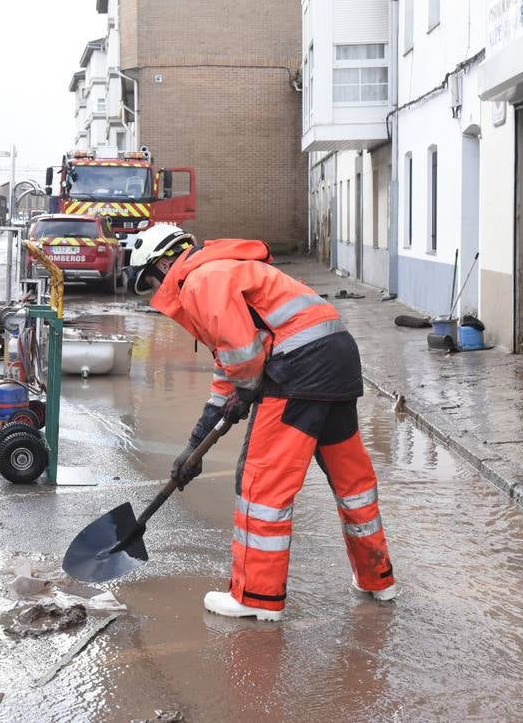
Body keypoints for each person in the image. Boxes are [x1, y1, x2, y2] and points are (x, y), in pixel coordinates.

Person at [130, 226, 397, 622]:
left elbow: (242, 358)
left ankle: (256, 597)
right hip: (337, 357)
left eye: (152, 280)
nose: (156, 292)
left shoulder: (200, 280)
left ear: (165, 263)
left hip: (298, 370)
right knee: (352, 480)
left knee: (261, 484)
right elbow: (233, 365)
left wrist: (246, 387)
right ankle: (378, 579)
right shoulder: (228, 269)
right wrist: (196, 443)